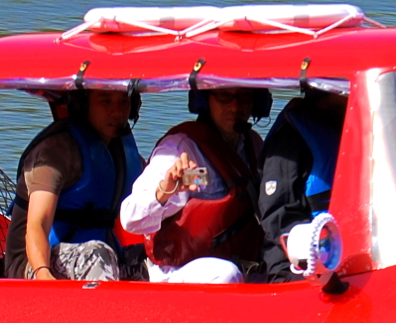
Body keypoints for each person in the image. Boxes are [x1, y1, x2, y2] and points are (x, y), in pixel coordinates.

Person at [120, 87, 268, 283]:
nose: (235, 106)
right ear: (206, 100)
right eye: (224, 95)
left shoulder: (254, 146)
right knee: (226, 274)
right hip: (177, 268)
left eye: (244, 96)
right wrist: (165, 189)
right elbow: (131, 219)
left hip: (239, 259)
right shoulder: (179, 149)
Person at [5, 88, 142, 282]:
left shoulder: (119, 151)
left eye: (124, 102)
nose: (117, 112)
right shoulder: (54, 154)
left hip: (97, 253)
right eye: (105, 102)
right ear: (83, 105)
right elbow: (38, 224)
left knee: (147, 255)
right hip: (32, 263)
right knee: (97, 255)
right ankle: (103, 311)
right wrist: (43, 274)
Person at [257, 86, 347, 281]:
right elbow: (279, 222)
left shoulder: (345, 128)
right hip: (298, 270)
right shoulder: (290, 141)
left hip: (348, 254)